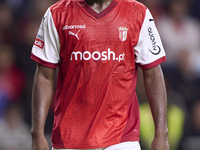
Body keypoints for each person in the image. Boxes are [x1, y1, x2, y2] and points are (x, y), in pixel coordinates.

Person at [31, 0, 169, 150]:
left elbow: (153, 74)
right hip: (69, 138)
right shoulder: (56, 14)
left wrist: (162, 133)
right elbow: (44, 76)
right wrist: (37, 133)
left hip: (122, 138)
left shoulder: (138, 13)